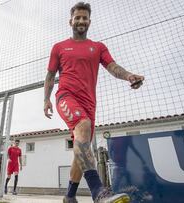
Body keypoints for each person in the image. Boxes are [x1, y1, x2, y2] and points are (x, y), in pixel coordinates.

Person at [43, 2, 144, 203]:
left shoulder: (98, 47)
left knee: (83, 150)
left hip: (89, 103)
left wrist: (129, 76)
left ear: (89, 21)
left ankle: (69, 197)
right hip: (66, 96)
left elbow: (112, 66)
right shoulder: (59, 47)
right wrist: (46, 99)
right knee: (83, 126)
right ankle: (98, 191)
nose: (81, 20)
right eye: (77, 17)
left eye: (84, 18)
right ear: (70, 21)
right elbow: (50, 75)